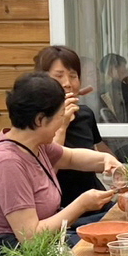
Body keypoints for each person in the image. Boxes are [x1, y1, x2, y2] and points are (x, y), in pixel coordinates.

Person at [0, 72, 120, 256]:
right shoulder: (7, 162)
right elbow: (31, 238)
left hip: (48, 247)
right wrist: (82, 204)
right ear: (40, 120)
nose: (62, 123)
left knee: (111, 248)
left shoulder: (35, 145)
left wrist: (106, 160)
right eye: (60, 117)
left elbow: (71, 157)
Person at [33, 45, 115, 227]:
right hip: (62, 216)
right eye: (59, 76)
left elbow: (100, 149)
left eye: (73, 76)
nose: (67, 83)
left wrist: (123, 172)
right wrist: (61, 125)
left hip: (97, 204)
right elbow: (47, 170)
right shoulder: (37, 122)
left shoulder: (85, 114)